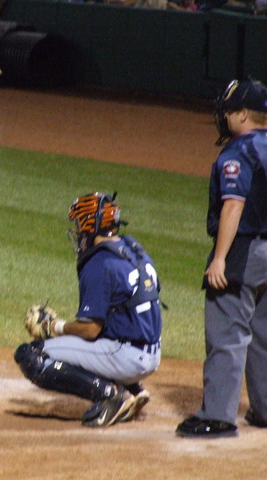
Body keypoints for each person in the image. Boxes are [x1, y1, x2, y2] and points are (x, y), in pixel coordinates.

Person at [15, 192, 163, 427]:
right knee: (110, 327)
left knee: (30, 355)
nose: (78, 231)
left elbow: (90, 330)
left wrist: (54, 327)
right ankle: (134, 390)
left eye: (79, 224)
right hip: (152, 353)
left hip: (126, 357)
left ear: (91, 225)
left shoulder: (99, 262)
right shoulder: (134, 250)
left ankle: (111, 395)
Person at [176, 78, 267, 438]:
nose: (224, 117)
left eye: (228, 111)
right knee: (263, 334)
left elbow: (234, 204)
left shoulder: (239, 151)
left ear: (243, 114)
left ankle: (218, 416)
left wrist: (219, 259)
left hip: (245, 252)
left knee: (227, 333)